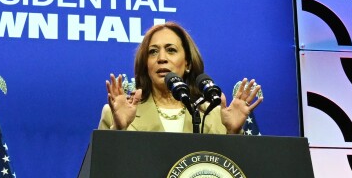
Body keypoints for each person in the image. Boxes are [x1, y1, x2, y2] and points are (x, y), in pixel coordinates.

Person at [99, 22, 262, 133]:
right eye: (153, 52)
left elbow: (231, 173)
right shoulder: (115, 114)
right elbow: (102, 172)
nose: (161, 58)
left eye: (171, 50)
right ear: (146, 65)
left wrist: (232, 132)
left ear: (188, 64)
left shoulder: (214, 115)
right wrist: (118, 131)